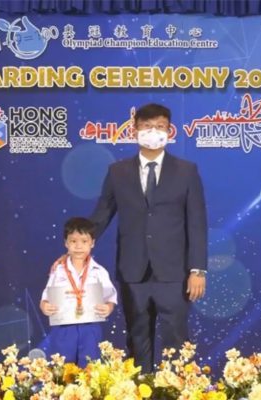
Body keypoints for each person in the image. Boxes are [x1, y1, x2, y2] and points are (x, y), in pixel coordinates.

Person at [90, 103, 207, 373]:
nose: (153, 132)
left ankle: (177, 389)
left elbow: (197, 223)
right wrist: (76, 247)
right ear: (135, 130)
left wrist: (198, 269)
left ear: (169, 131)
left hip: (175, 273)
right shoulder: (117, 172)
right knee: (137, 338)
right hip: (133, 271)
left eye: (160, 127)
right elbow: (101, 215)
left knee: (177, 340)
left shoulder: (187, 171)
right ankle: (140, 387)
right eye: (146, 126)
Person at [40, 217, 117, 367]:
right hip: (63, 328)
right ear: (66, 243)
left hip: (90, 327)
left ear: (92, 243)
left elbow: (111, 297)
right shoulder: (58, 270)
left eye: (84, 241)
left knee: (90, 367)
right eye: (73, 241)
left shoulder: (99, 271)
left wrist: (108, 307)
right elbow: (46, 296)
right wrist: (44, 306)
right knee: (62, 368)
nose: (78, 246)